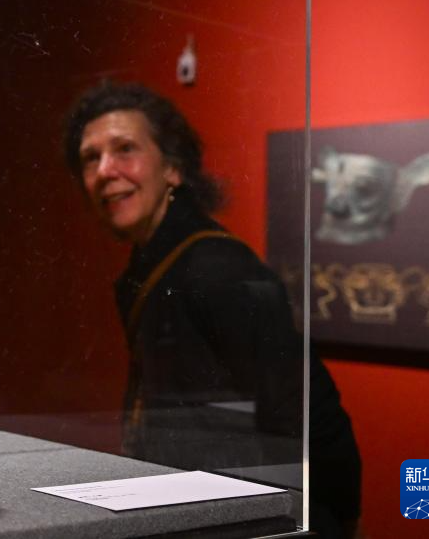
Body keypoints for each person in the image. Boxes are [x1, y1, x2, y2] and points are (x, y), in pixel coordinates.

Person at [64, 82, 361, 538]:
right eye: (90, 157)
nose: (105, 170)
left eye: (125, 149)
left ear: (173, 168)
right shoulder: (158, 265)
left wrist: (338, 519)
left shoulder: (214, 269)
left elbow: (308, 411)